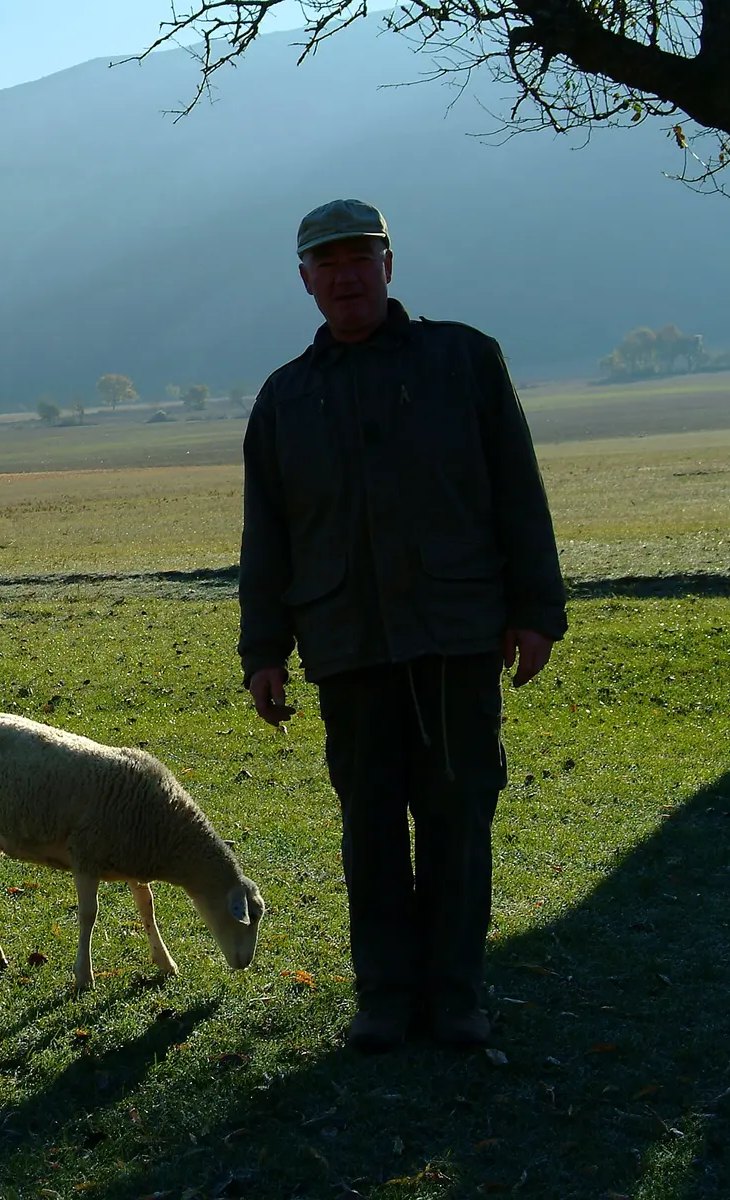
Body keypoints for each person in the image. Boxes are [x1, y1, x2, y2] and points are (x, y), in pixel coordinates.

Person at [237, 199, 567, 1053]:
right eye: (325, 261)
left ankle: (455, 997)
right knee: (370, 828)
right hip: (345, 646)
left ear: (390, 264)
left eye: (360, 257)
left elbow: (516, 494)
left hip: (456, 638)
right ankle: (383, 998)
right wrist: (263, 650)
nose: (344, 275)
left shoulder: (463, 360)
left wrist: (535, 612)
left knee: (458, 822)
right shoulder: (285, 397)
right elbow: (265, 537)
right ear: (304, 280)